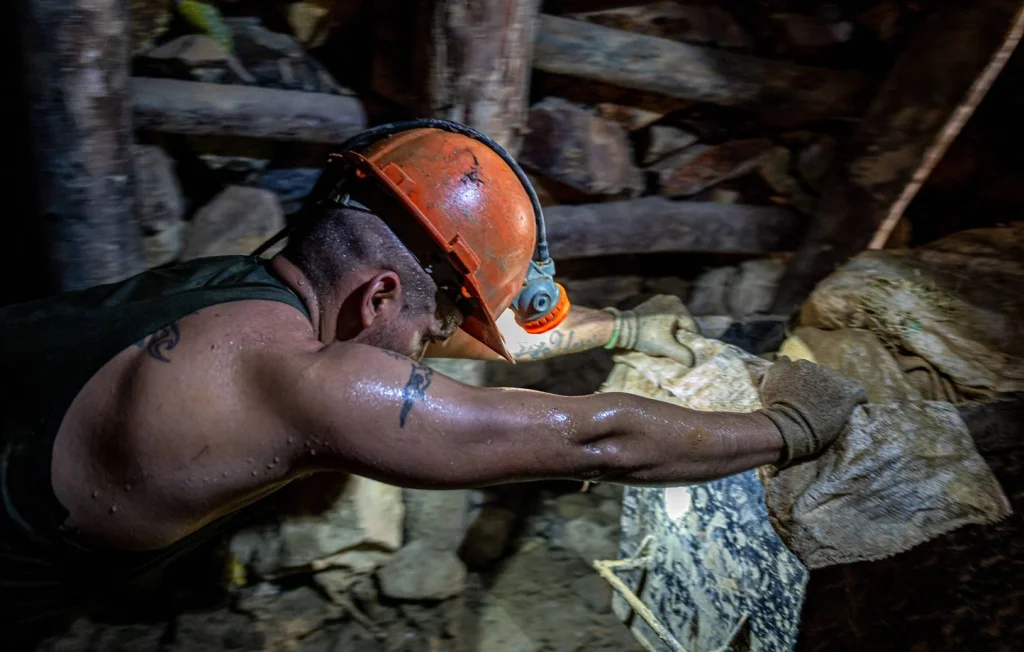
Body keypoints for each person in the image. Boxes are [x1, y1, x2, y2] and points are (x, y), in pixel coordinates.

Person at [1, 121, 865, 640]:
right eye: (429, 328)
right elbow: (593, 439)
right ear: (379, 295)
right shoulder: (311, 388)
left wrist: (624, 326)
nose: (427, 349)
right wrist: (786, 430)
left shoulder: (239, 290)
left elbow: (400, 336)